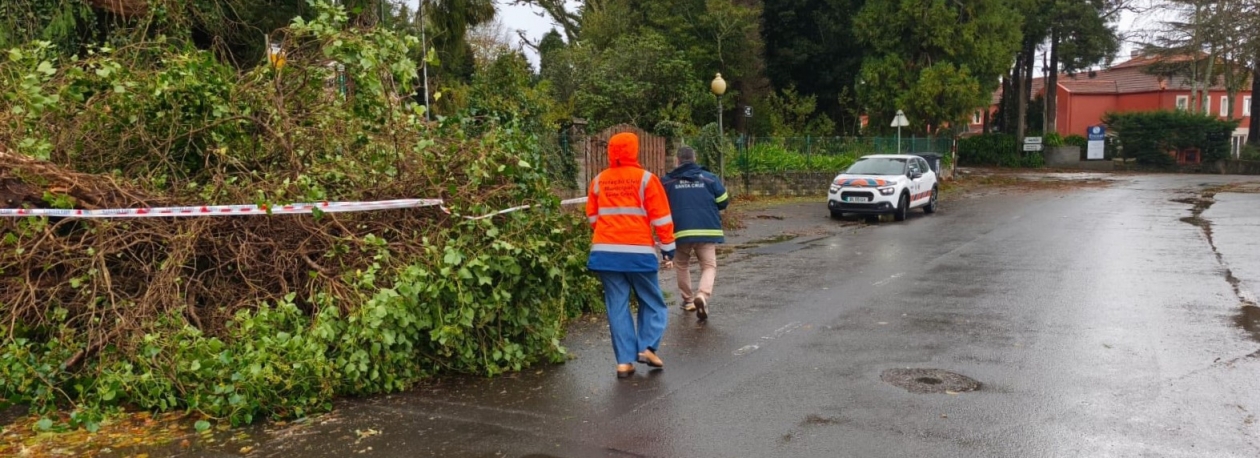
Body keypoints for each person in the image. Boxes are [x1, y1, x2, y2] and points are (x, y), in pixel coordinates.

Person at [586, 132, 677, 379]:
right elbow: (661, 216)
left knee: (617, 305)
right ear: (634, 151)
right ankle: (646, 347)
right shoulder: (646, 179)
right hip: (637, 252)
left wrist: (610, 233)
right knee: (652, 300)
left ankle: (624, 362)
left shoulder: (599, 180)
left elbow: (593, 218)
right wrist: (668, 246)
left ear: (611, 152)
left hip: (605, 252)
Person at [661, 146, 728, 321]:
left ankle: (689, 300)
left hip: (680, 230)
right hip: (707, 229)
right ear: (694, 158)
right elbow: (723, 201)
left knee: (682, 265)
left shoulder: (667, 182)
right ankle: (703, 295)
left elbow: (659, 205)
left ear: (677, 160)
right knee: (708, 266)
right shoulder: (709, 178)